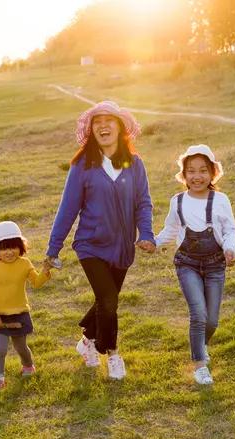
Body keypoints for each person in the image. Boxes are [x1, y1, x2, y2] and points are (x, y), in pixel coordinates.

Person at [45, 101, 155, 380]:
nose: (103, 126)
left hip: (122, 247)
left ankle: (86, 341)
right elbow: (67, 208)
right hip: (90, 245)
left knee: (107, 300)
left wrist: (146, 234)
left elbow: (143, 203)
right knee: (108, 300)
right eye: (97, 122)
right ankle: (113, 354)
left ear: (121, 127)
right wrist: (53, 249)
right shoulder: (83, 165)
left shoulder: (134, 163)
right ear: (91, 130)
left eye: (109, 120)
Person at [155, 145, 235, 385]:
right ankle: (200, 364)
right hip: (187, 264)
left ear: (213, 173)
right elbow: (170, 231)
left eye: (203, 170)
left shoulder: (220, 200)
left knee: (212, 320)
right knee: (198, 314)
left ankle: (201, 344)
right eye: (191, 171)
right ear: (184, 174)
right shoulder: (178, 201)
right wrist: (154, 243)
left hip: (215, 265)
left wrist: (230, 249)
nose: (197, 176)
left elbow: (231, 229)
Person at [0, 221, 51, 390]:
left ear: (21, 247)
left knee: (21, 346)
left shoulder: (25, 263)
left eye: (13, 247)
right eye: (4, 248)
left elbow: (36, 282)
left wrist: (45, 270)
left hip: (20, 313)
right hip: (0, 316)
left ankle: (28, 366)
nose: (9, 252)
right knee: (0, 349)